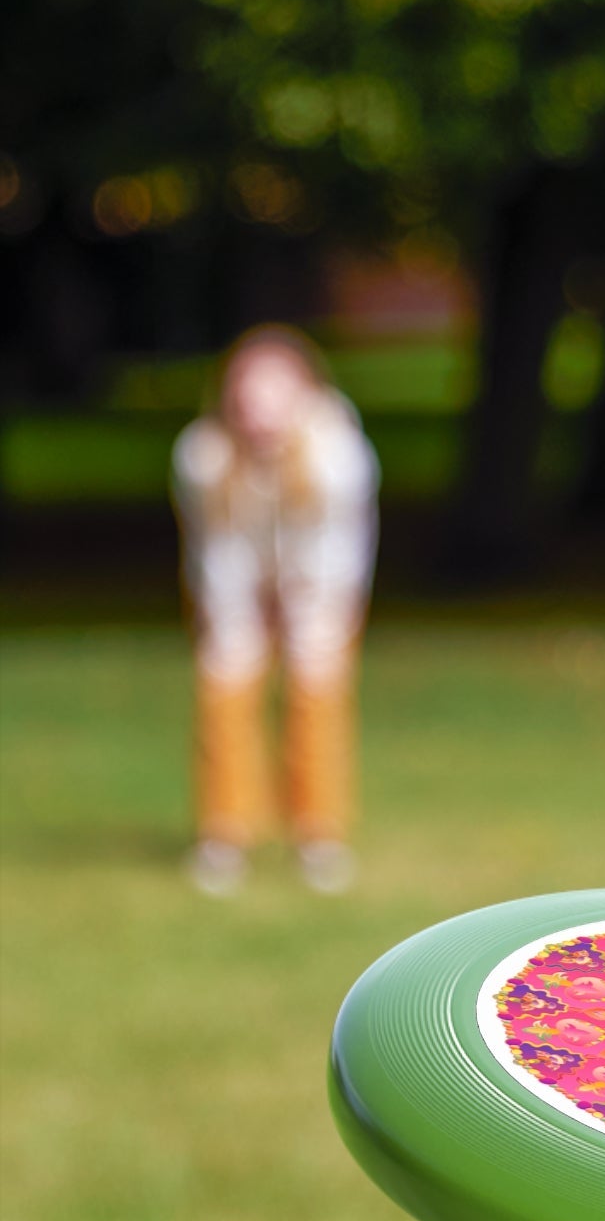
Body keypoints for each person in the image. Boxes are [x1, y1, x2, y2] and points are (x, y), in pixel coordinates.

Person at [172, 325, 379, 896]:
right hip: (235, 584)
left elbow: (337, 549)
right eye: (248, 393)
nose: (259, 410)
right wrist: (237, 616)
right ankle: (224, 834)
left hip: (319, 586)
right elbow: (216, 549)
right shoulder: (203, 456)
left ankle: (318, 835)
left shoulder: (338, 455)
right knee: (224, 686)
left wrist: (305, 609)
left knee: (317, 692)